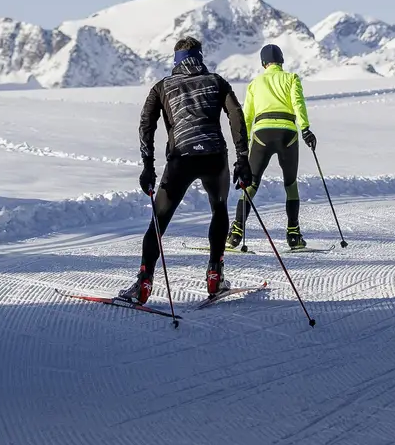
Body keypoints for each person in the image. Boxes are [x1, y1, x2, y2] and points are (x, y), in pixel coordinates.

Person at [119, 36, 250, 304]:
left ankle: (144, 283)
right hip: (215, 157)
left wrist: (148, 167)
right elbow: (236, 114)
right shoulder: (216, 81)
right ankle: (215, 276)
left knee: (159, 219)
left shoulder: (162, 87)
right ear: (200, 57)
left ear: (175, 60)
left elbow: (146, 124)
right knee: (219, 209)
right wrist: (243, 159)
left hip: (181, 158)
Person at [228, 43, 316, 251]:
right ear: (281, 61)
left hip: (261, 135)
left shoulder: (254, 83)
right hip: (288, 134)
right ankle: (293, 234)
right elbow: (298, 103)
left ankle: (235, 233)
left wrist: (243, 146)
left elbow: (247, 116)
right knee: (290, 184)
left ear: (263, 63)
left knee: (251, 183)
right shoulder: (291, 78)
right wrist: (305, 129)